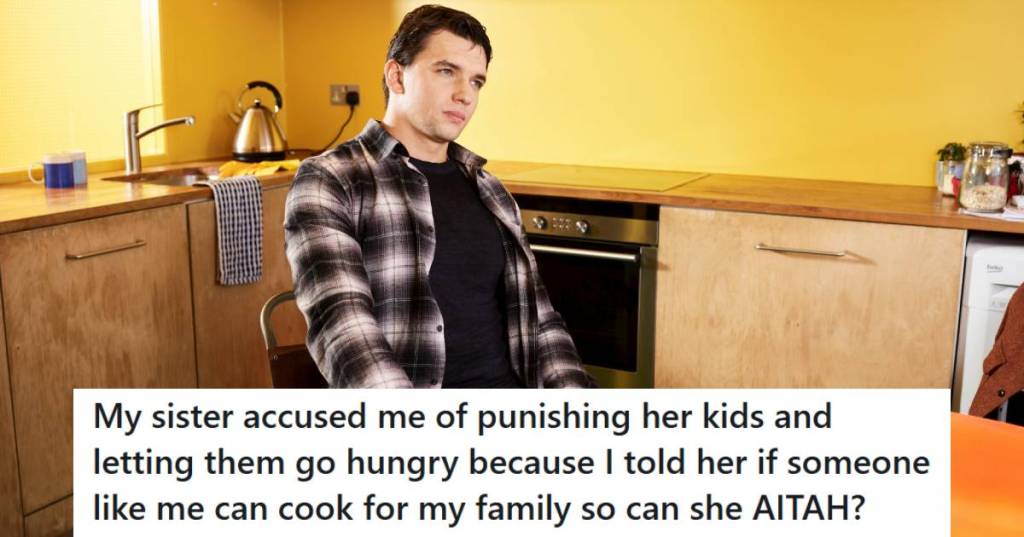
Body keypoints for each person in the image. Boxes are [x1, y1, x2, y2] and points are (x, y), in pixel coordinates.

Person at [284, 4, 595, 389]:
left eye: (476, 81)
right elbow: (344, 329)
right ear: (397, 76)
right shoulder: (333, 180)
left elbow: (541, 322)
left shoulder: (490, 190)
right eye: (447, 71)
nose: (465, 95)